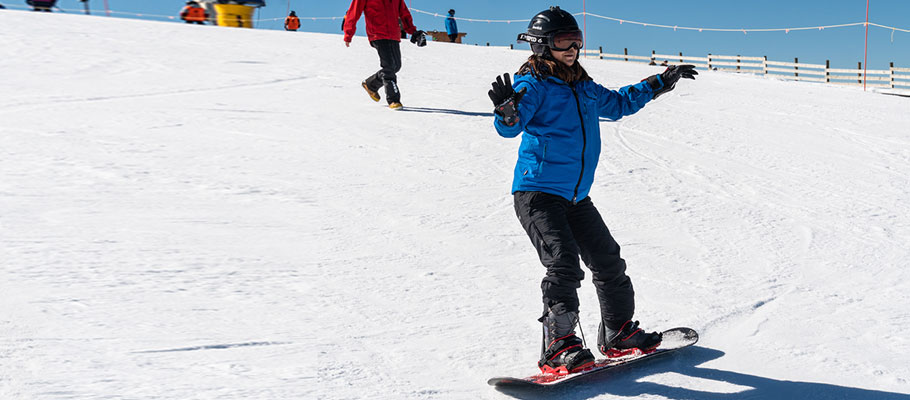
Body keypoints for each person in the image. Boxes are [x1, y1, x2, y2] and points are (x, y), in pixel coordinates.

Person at [487, 6, 697, 375]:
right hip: (538, 194)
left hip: (575, 196)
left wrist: (660, 82)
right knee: (563, 263)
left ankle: (618, 332)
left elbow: (617, 104)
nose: (572, 48)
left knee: (608, 261)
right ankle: (559, 346)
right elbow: (511, 126)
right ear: (541, 45)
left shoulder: (582, 85)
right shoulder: (532, 85)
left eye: (577, 41)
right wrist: (507, 113)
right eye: (563, 41)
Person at [343, 0, 427, 110]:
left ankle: (371, 84)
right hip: (377, 34)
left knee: (396, 66)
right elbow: (353, 13)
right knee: (388, 67)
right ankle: (393, 100)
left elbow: (404, 14)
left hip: (394, 34)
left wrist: (413, 32)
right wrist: (348, 34)